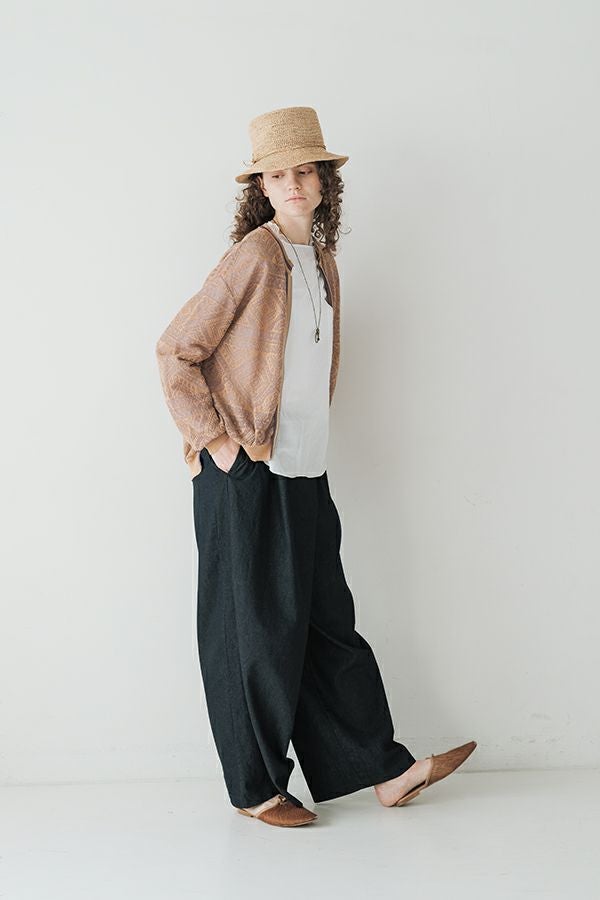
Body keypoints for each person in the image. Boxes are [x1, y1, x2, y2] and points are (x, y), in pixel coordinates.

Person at [155, 106, 476, 828]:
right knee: (252, 633)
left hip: (304, 468)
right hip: (246, 473)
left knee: (329, 623)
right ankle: (255, 789)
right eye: (278, 174)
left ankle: (384, 769)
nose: (293, 183)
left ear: (325, 181)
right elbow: (176, 350)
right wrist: (218, 443)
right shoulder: (254, 257)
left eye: (305, 170)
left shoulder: (323, 263)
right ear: (261, 188)